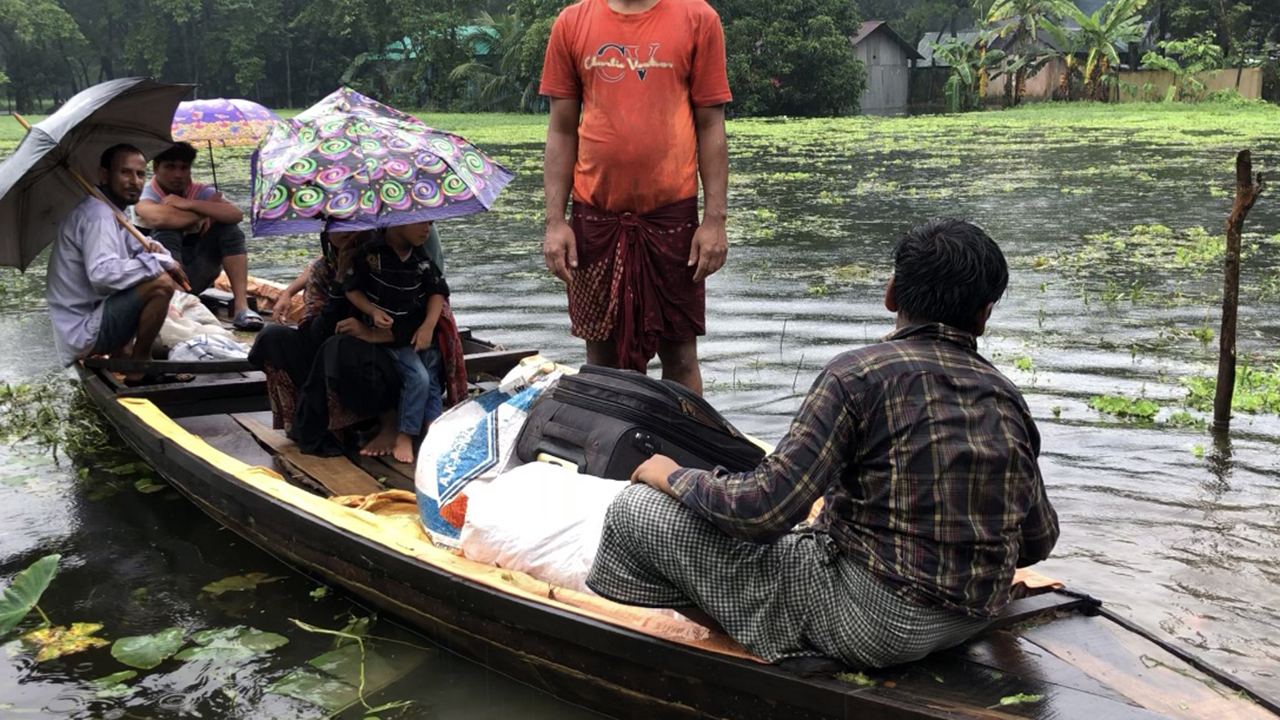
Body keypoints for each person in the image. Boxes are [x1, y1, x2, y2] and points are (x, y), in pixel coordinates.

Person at [586, 219, 1060, 669]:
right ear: (983, 316)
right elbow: (1037, 540)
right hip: (971, 618)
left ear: (892, 294)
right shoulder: (1005, 395)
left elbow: (761, 511)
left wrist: (671, 474)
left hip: (876, 627)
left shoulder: (856, 376)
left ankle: (767, 648)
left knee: (636, 510)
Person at [540, 0, 732, 393]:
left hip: (671, 220)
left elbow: (711, 125)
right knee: (602, 357)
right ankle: (617, 450)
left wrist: (715, 221)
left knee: (679, 353)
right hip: (596, 218)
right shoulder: (572, 23)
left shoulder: (698, 18)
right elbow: (561, 130)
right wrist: (555, 222)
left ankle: (682, 449)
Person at [45, 144, 189, 384]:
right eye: (125, 173)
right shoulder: (98, 215)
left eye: (141, 174)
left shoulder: (112, 213)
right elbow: (103, 276)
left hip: (95, 318)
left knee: (145, 271)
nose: (134, 181)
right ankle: (139, 365)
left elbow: (138, 247)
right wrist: (162, 263)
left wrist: (157, 252)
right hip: (83, 333)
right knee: (161, 284)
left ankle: (123, 353)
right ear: (103, 175)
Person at [343, 221, 449, 464]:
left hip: (416, 329)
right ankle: (406, 434)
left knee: (432, 371)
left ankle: (433, 426)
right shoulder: (370, 253)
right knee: (418, 376)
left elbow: (437, 292)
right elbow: (352, 288)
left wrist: (428, 326)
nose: (427, 230)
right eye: (423, 223)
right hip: (389, 335)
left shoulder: (421, 257)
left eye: (431, 224)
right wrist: (371, 312)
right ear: (399, 222)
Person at [133, 141, 261, 331]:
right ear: (156, 167)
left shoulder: (200, 192)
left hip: (198, 270)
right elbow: (161, 218)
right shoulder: (145, 194)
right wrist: (207, 211)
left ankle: (242, 307)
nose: (178, 174)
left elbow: (235, 214)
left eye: (184, 168)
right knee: (168, 231)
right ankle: (177, 304)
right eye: (170, 167)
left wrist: (189, 204)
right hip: (160, 279)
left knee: (229, 230)